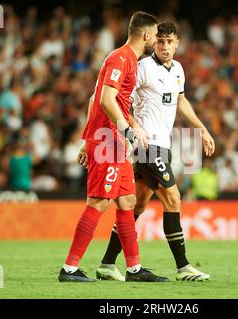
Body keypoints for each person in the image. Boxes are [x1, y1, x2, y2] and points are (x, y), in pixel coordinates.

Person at [81, 22, 215, 281]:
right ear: (154, 42)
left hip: (162, 145)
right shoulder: (142, 67)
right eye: (160, 41)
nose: (164, 46)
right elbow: (115, 99)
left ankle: (108, 263)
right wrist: (134, 127)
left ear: (177, 43)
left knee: (136, 205)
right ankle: (183, 267)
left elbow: (180, 100)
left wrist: (201, 128)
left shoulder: (178, 69)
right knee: (173, 199)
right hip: (147, 145)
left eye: (169, 41)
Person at [59, 11, 168, 283]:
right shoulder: (122, 59)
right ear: (145, 35)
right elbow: (106, 100)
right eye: (155, 37)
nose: (155, 42)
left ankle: (134, 269)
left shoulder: (124, 59)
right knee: (98, 202)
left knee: (127, 201)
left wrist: (89, 140)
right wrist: (127, 130)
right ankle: (69, 268)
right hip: (109, 140)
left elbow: (95, 98)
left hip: (113, 140)